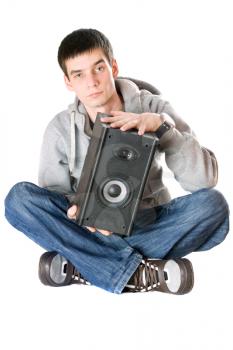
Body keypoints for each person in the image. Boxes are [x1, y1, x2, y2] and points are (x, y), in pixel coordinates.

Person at [4, 28, 229, 295]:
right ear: (68, 82)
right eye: (79, 74)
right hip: (91, 227)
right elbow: (53, 200)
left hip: (149, 221)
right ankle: (142, 271)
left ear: (113, 66)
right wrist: (77, 208)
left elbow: (203, 181)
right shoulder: (60, 128)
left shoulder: (154, 107)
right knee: (19, 199)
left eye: (98, 68)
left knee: (213, 205)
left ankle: (85, 265)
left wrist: (161, 128)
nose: (92, 82)